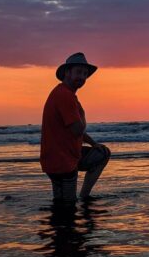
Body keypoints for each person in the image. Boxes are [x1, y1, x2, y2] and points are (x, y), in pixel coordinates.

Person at [40, 52, 111, 205]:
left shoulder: (60, 93)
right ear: (67, 72)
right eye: (78, 72)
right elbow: (77, 129)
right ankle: (84, 197)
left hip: (53, 159)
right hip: (64, 161)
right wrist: (83, 115)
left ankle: (77, 203)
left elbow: (73, 129)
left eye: (85, 74)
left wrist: (93, 144)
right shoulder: (66, 96)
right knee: (68, 207)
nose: (82, 77)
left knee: (59, 203)